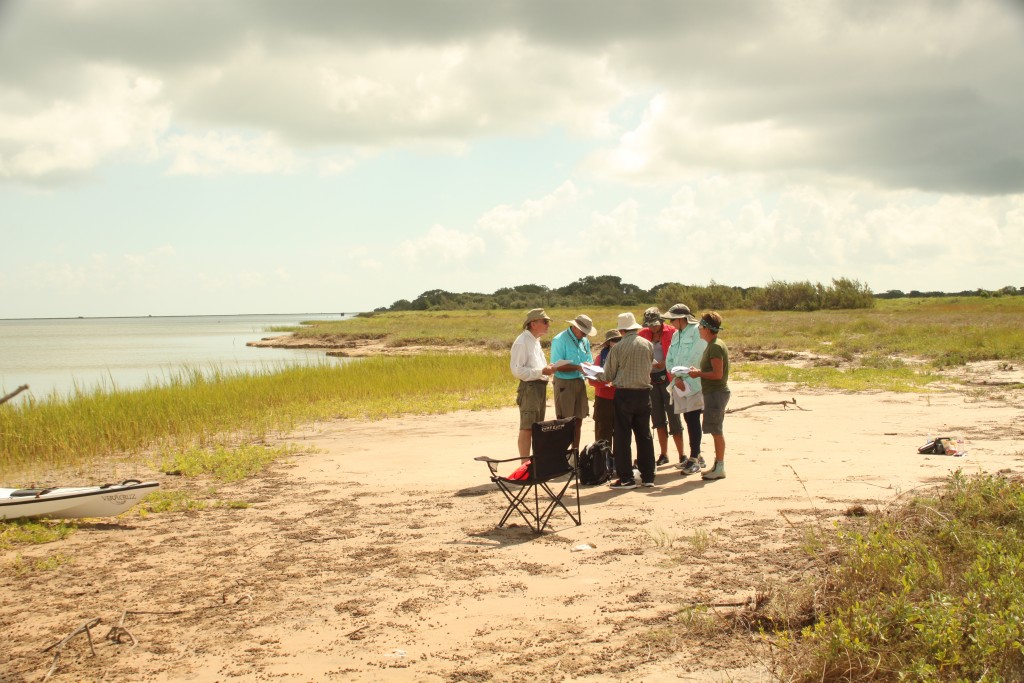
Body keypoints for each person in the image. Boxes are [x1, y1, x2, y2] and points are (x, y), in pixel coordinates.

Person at [599, 312, 656, 489]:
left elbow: (608, 375)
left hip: (624, 393)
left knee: (623, 436)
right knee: (644, 435)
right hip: (644, 393)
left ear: (621, 330)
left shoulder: (618, 348)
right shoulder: (647, 344)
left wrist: (595, 373)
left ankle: (626, 477)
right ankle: (648, 476)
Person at [662, 303, 707, 475]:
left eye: (673, 319)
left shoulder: (697, 331)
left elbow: (697, 356)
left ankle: (695, 457)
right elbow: (670, 357)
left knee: (693, 418)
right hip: (679, 383)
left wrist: (683, 374)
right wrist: (675, 376)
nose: (671, 322)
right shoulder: (676, 335)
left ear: (682, 319)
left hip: (694, 383)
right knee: (688, 418)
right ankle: (697, 455)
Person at [638, 307, 684, 466]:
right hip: (650, 380)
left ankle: (682, 454)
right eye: (649, 325)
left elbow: (679, 353)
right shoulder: (642, 334)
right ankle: (664, 454)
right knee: (657, 419)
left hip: (669, 379)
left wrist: (666, 363)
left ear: (661, 321)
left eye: (655, 324)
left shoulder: (672, 332)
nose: (652, 328)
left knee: (674, 417)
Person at [688, 311, 729, 480]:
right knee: (714, 429)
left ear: (706, 328)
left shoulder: (715, 346)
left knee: (716, 430)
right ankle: (717, 466)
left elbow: (717, 374)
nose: (698, 329)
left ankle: (720, 466)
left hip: (716, 392)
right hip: (712, 392)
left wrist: (698, 374)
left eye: (700, 326)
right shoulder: (713, 345)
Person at [510, 308, 555, 459]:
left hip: (539, 387)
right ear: (533, 324)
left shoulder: (535, 341)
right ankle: (524, 465)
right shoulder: (522, 342)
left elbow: (535, 366)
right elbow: (517, 370)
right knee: (527, 428)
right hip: (530, 388)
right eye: (545, 322)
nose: (548, 325)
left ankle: (534, 463)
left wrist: (546, 369)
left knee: (536, 427)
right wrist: (541, 371)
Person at [550, 314, 597, 453]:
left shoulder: (585, 341)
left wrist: (589, 367)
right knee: (564, 421)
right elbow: (555, 366)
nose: (584, 334)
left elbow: (589, 359)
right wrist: (577, 367)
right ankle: (561, 454)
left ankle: (574, 453)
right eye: (583, 331)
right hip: (564, 383)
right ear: (575, 327)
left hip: (579, 381)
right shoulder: (559, 340)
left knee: (579, 419)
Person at [588, 329, 621, 448]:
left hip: (622, 399)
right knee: (603, 435)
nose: (616, 342)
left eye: (619, 339)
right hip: (604, 399)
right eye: (613, 340)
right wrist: (607, 381)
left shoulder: (626, 354)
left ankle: (619, 464)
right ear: (608, 343)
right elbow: (592, 380)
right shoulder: (600, 357)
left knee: (621, 435)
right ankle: (603, 464)